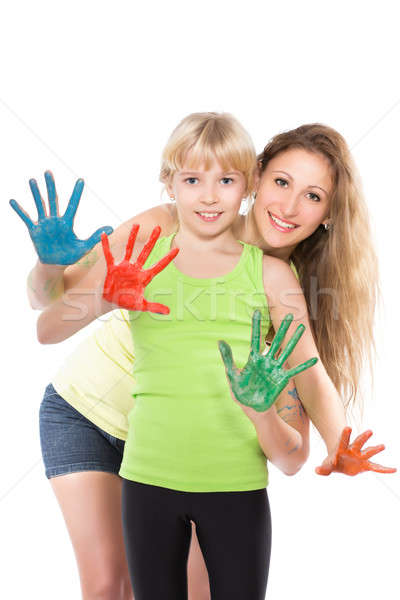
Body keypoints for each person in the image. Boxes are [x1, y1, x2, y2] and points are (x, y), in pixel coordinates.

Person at [11, 113, 395, 599]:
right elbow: (50, 302)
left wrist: (337, 440)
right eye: (281, 182)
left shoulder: (280, 283)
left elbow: (311, 372)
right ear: (257, 178)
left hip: (175, 445)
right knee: (110, 583)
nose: (290, 205)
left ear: (328, 214)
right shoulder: (167, 225)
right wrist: (50, 264)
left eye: (313, 196)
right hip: (85, 412)